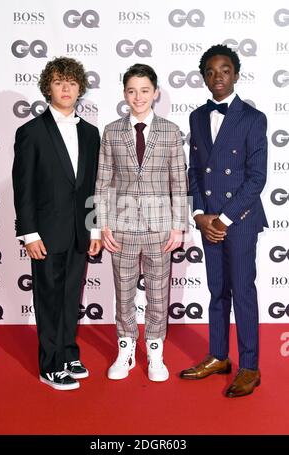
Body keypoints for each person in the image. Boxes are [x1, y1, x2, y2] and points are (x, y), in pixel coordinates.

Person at [180, 44, 268, 397]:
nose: (218, 77)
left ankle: (249, 366)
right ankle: (218, 355)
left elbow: (257, 177)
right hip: (209, 222)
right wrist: (200, 214)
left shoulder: (252, 117)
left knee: (243, 292)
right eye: (211, 72)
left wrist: (225, 218)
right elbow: (195, 170)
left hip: (240, 220)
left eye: (225, 70)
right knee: (217, 290)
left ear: (236, 74)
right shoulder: (197, 117)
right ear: (204, 76)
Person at [95, 63, 188, 382]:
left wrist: (179, 226)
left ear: (156, 92)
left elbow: (179, 181)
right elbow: (103, 181)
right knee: (123, 293)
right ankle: (126, 350)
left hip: (161, 228)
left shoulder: (171, 131)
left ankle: (155, 352)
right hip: (120, 227)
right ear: (124, 94)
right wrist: (101, 224)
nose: (138, 97)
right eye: (132, 91)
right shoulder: (111, 130)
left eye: (145, 90)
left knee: (159, 294)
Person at [12, 57, 101, 390]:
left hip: (79, 231)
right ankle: (50, 365)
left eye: (72, 83)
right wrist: (28, 233)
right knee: (48, 297)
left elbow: (93, 186)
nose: (66, 89)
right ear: (47, 87)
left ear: (80, 88)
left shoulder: (91, 133)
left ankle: (68, 352)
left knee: (69, 296)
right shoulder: (31, 132)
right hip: (45, 233)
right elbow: (24, 187)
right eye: (59, 82)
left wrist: (93, 227)